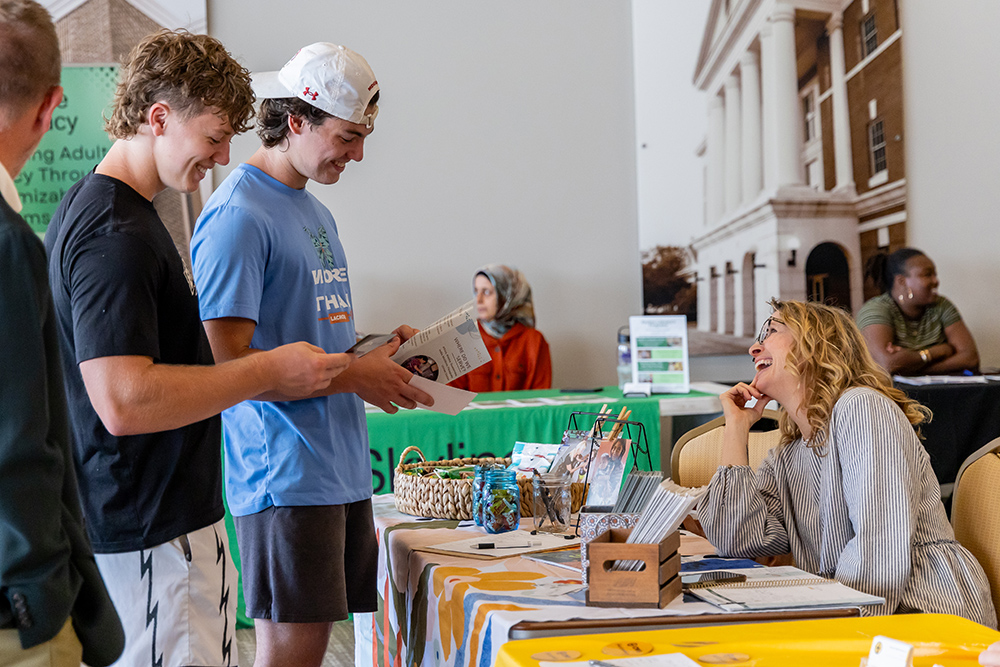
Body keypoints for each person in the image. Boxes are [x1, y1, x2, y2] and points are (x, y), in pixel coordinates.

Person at [44, 31, 353, 667]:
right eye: (213, 137)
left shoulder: (108, 211)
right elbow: (125, 401)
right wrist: (266, 369)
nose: (220, 158)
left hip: (152, 527)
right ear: (159, 118)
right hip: (154, 532)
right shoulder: (115, 233)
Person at [189, 42, 433, 667]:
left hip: (336, 467)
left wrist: (378, 355)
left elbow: (309, 339)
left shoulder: (313, 212)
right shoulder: (237, 216)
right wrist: (355, 374)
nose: (358, 154)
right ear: (296, 121)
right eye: (348, 137)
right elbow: (230, 368)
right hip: (285, 475)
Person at [699, 299, 996, 626]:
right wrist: (736, 428)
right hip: (854, 607)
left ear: (816, 344)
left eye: (770, 331)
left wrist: (837, 626)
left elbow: (879, 548)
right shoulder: (789, 454)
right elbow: (735, 539)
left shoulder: (863, 408)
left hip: (922, 608)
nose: (755, 348)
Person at [0, 2, 124, 664]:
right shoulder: (10, 245)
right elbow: (21, 447)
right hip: (16, 609)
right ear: (52, 108)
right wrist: (41, 599)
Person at [857, 247, 979, 375]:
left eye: (935, 275)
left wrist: (912, 367)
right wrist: (939, 351)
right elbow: (886, 364)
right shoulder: (875, 309)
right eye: (927, 274)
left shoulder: (942, 305)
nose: (936, 281)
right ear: (902, 281)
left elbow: (970, 358)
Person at [449, 264, 552, 392]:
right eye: (476, 291)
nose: (479, 300)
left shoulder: (534, 341)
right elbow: (452, 396)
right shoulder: (463, 337)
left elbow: (540, 399)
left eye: (487, 292)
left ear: (506, 295)